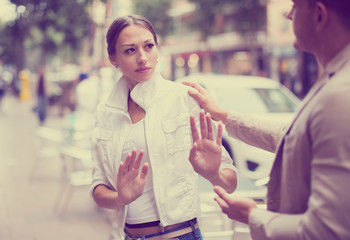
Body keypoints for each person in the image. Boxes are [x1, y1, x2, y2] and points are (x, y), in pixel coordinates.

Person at [183, 0, 350, 239]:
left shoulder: (341, 93)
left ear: (319, 15)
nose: (288, 14)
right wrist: (222, 114)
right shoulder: (335, 78)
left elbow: (328, 230)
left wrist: (254, 216)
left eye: (294, 6)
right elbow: (291, 135)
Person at [90, 14, 237, 240]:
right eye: (130, 50)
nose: (142, 58)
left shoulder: (182, 98)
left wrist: (213, 173)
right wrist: (120, 198)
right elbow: (98, 189)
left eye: (149, 46)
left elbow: (230, 183)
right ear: (113, 58)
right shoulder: (105, 112)